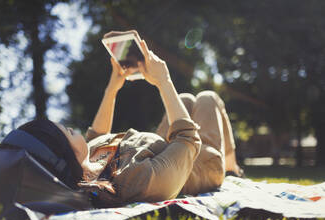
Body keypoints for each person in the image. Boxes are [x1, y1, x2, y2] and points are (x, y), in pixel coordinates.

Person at [53, 30, 243, 207]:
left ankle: (233, 167)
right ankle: (231, 169)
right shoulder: (132, 182)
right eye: (60, 133)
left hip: (162, 147)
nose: (62, 127)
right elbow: (187, 138)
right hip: (198, 164)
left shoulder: (88, 159)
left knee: (184, 99)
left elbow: (98, 134)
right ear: (62, 152)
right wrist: (163, 80)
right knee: (208, 98)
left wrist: (112, 88)